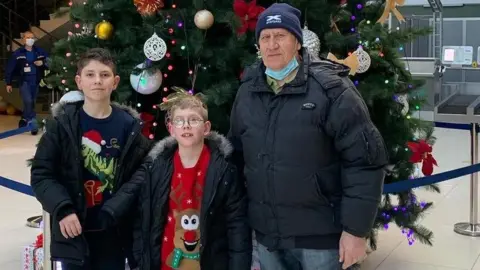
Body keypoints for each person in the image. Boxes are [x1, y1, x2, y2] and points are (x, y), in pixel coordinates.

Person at [228, 3, 388, 270]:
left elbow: (365, 162)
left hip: (320, 239)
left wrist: (355, 231)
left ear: (297, 42)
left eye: (280, 36)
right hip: (268, 236)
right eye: (265, 38)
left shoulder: (332, 90)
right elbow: (236, 156)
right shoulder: (248, 91)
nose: (272, 45)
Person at [30, 48, 153, 270]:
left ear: (115, 82)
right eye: (90, 74)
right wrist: (63, 209)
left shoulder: (129, 127)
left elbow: (143, 173)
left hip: (113, 233)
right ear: (79, 81)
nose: (98, 81)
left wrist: (118, 206)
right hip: (74, 233)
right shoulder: (62, 124)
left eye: (104, 75)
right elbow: (41, 174)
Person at [131, 94, 251, 270]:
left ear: (206, 128)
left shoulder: (224, 170)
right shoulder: (157, 168)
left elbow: (237, 224)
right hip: (167, 263)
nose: (186, 125)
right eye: (179, 121)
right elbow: (143, 217)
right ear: (171, 129)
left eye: (194, 120)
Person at [4, 30, 48, 133]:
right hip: (24, 81)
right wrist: (8, 83)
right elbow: (10, 68)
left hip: (36, 80)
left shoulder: (39, 51)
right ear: (23, 40)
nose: (30, 40)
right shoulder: (18, 53)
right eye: (28, 38)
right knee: (28, 100)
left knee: (32, 101)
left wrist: (42, 62)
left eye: (32, 38)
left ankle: (24, 118)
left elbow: (50, 60)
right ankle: (32, 122)